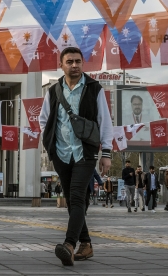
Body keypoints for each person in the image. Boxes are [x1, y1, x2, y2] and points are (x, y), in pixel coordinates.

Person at [37, 46, 113, 266]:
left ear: (83, 63)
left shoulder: (94, 88)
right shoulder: (53, 91)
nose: (74, 65)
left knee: (78, 196)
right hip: (61, 154)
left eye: (78, 61)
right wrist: (51, 143)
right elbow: (44, 120)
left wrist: (105, 153)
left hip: (85, 153)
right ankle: (86, 244)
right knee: (72, 201)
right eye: (69, 62)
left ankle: (69, 245)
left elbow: (105, 121)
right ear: (61, 65)